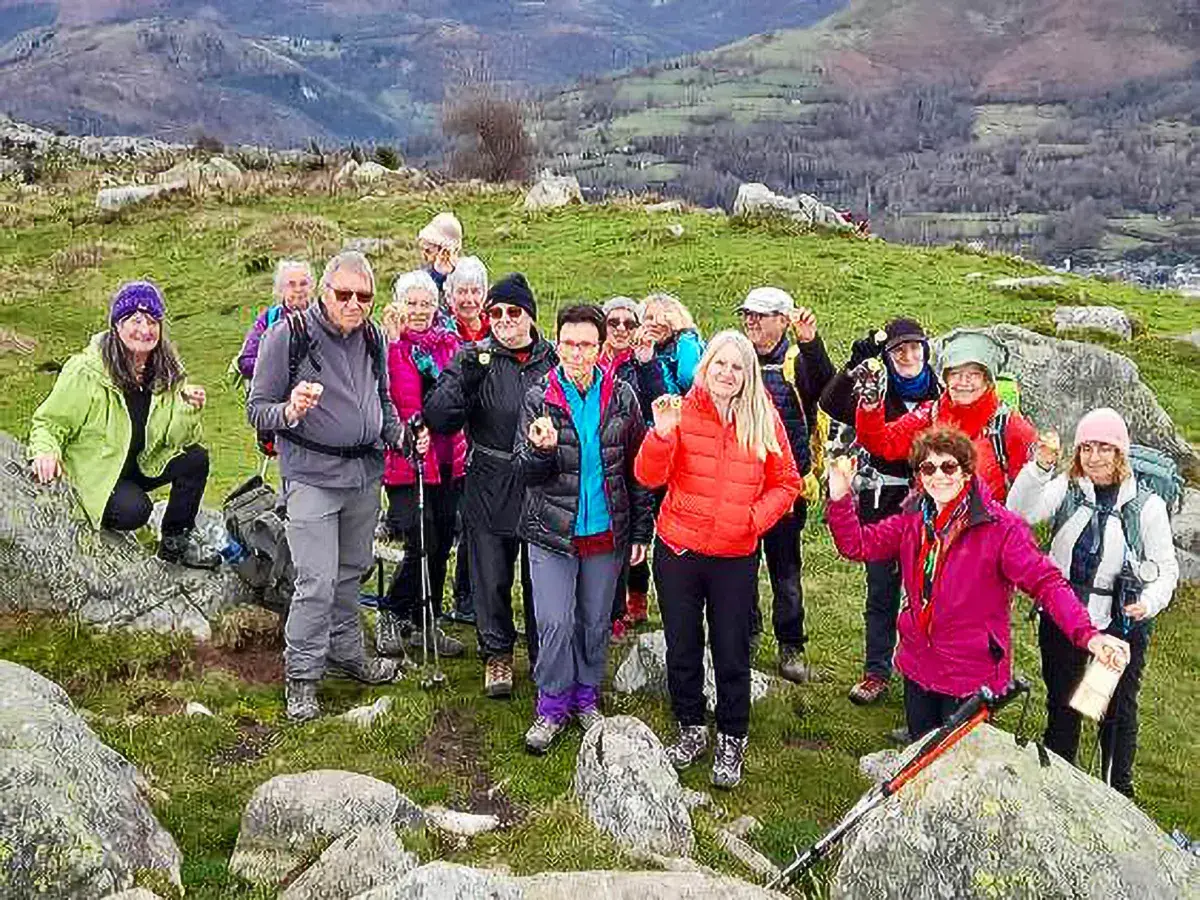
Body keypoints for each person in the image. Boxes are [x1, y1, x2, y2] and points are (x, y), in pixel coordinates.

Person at [825, 425, 1131, 741]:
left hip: (970, 673)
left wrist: (1088, 636)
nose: (939, 476)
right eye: (928, 468)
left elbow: (1047, 583)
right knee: (922, 751)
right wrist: (839, 496)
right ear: (919, 475)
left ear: (967, 471)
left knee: (959, 761)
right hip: (919, 665)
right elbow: (857, 545)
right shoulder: (914, 518)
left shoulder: (1002, 528)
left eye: (949, 467)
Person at [247, 250, 421, 721]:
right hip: (312, 477)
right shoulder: (289, 335)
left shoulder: (373, 337)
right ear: (325, 292)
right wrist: (290, 410)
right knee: (317, 582)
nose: (353, 304)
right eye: (343, 294)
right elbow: (256, 408)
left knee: (351, 572)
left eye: (363, 296)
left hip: (364, 476)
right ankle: (302, 678)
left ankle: (346, 654)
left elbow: (383, 400)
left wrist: (400, 436)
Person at [635, 330, 803, 789]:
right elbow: (647, 476)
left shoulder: (763, 415)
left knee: (732, 649)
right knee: (682, 646)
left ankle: (732, 736)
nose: (727, 374)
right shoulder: (681, 411)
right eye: (719, 364)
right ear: (704, 368)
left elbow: (787, 482)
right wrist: (661, 435)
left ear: (748, 374)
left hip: (734, 555)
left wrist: (752, 520)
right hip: (679, 552)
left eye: (736, 367)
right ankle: (690, 726)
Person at [1007, 409, 1178, 797]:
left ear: (1121, 453)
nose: (1095, 457)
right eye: (1087, 448)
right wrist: (1039, 468)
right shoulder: (1068, 487)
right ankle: (1059, 780)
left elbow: (1166, 569)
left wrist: (1148, 603)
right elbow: (1019, 513)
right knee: (1063, 700)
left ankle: (1117, 791)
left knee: (1114, 707)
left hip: (1121, 621)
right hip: (1065, 613)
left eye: (1105, 448)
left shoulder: (1146, 506)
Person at [514, 304, 655, 753]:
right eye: (569, 344)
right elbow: (525, 471)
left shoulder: (623, 396)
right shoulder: (539, 396)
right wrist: (541, 451)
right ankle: (551, 705)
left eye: (586, 345)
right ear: (557, 345)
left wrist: (640, 531)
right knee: (555, 621)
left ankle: (586, 697)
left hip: (605, 531)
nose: (577, 353)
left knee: (594, 621)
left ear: (600, 347)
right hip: (552, 531)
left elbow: (639, 469)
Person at [425, 272, 558, 698]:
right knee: (491, 574)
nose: (503, 320)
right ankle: (497, 652)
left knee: (541, 577)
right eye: (495, 312)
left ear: (530, 316)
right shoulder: (475, 358)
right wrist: (463, 379)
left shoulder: (554, 359)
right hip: (489, 479)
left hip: (541, 482)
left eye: (513, 311)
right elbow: (439, 418)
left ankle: (543, 652)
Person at [29, 281, 218, 569]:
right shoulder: (86, 371)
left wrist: (188, 410)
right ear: (117, 324)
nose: (145, 329)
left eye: (152, 321)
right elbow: (49, 422)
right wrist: (45, 451)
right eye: (135, 320)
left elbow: (181, 440)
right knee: (135, 510)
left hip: (140, 464)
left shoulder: (166, 372)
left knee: (196, 459)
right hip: (100, 472)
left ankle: (176, 543)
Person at [819, 318, 942, 706]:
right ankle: (876, 672)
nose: (908, 355)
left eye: (915, 347)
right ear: (887, 356)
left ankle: (925, 676)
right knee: (882, 593)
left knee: (930, 596)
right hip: (883, 504)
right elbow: (831, 404)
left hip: (933, 508)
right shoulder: (876, 389)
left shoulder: (942, 393)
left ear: (925, 351)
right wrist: (854, 365)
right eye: (898, 350)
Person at [738, 286, 834, 683]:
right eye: (747, 314)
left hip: (785, 487)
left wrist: (811, 343)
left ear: (784, 319)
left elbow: (827, 387)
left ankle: (791, 644)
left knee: (785, 572)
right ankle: (746, 635)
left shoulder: (797, 361)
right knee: (741, 569)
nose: (750, 321)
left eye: (760, 314)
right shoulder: (735, 359)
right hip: (740, 484)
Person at [375, 270, 468, 660]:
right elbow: (383, 397)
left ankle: (424, 621)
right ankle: (392, 612)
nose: (418, 310)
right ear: (399, 304)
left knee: (443, 542)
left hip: (449, 458)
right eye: (411, 303)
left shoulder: (449, 343)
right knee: (422, 538)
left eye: (426, 303)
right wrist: (391, 342)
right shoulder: (388, 345)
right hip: (405, 460)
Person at [855, 329, 1035, 503]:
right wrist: (870, 407)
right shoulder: (929, 416)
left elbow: (1029, 493)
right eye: (955, 374)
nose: (963, 382)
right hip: (932, 520)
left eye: (974, 374)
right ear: (945, 379)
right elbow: (881, 443)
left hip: (989, 522)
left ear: (988, 381)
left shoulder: (1010, 427)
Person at [598, 295, 668, 638]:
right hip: (602, 452)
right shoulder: (594, 359)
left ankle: (636, 597)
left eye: (629, 323)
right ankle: (609, 603)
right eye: (614, 322)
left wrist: (646, 361)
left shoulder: (643, 360)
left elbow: (659, 401)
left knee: (638, 527)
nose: (621, 329)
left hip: (639, 454)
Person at [235, 260, 314, 379]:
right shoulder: (269, 318)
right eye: (291, 284)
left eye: (303, 284)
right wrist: (277, 365)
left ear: (311, 287)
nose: (298, 289)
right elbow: (245, 362)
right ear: (281, 289)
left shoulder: (323, 317)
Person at [640, 292, 704, 395]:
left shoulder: (687, 342)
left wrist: (683, 332)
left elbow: (688, 381)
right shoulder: (643, 350)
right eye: (649, 318)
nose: (654, 323)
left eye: (662, 318)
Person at [418, 212, 463, 301]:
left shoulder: (465, 276)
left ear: (445, 252)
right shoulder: (424, 274)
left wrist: (439, 275)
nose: (423, 256)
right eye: (422, 249)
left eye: (428, 251)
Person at [446, 256, 490, 344]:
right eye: (461, 292)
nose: (469, 299)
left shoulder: (495, 327)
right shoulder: (441, 330)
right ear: (450, 294)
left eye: (475, 291)